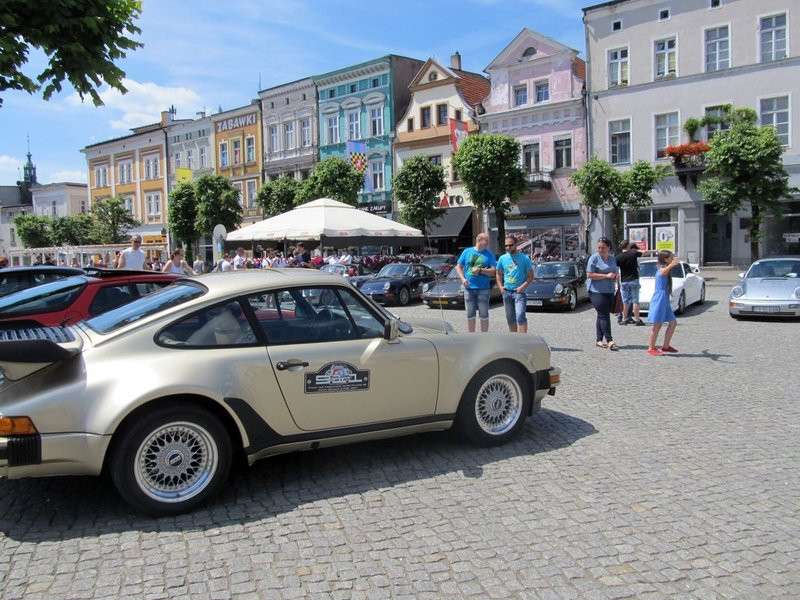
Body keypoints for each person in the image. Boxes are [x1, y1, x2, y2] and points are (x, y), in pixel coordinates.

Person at [455, 233, 497, 333]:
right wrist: (463, 279)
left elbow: (493, 271)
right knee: (470, 315)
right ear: (480, 240)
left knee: (484, 314)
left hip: (483, 289)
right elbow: (458, 267)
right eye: (487, 240)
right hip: (469, 288)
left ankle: (484, 337)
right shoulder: (467, 251)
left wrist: (480, 270)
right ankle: (471, 336)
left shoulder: (489, 254)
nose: (488, 243)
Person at [496, 236, 534, 333]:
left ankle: (522, 340)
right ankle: (514, 340)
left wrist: (522, 287)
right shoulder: (502, 258)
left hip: (519, 292)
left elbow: (531, 276)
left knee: (520, 315)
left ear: (516, 245)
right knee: (510, 318)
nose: (508, 248)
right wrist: (500, 287)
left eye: (510, 245)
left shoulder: (524, 258)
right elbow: (498, 273)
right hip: (507, 292)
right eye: (506, 246)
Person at [586, 237, 619, 350]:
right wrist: (605, 276)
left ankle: (599, 340)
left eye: (603, 247)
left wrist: (615, 276)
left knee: (601, 315)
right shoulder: (594, 258)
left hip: (609, 290)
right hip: (596, 291)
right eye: (599, 247)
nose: (600, 250)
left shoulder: (612, 258)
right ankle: (610, 340)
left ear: (608, 247)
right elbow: (589, 275)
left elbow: (615, 270)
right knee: (604, 315)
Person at [647, 250, 680, 355]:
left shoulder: (664, 268)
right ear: (665, 259)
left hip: (664, 298)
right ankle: (651, 348)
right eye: (670, 257)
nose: (672, 259)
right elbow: (662, 272)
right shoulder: (662, 269)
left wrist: (672, 263)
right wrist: (673, 264)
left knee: (673, 323)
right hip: (660, 299)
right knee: (657, 325)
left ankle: (666, 346)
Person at [615, 240, 651, 326]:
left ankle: (624, 319)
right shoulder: (633, 253)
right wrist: (654, 251)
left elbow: (616, 271)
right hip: (633, 279)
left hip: (623, 281)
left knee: (625, 301)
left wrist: (617, 281)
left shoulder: (618, 257)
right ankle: (637, 320)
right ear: (628, 246)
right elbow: (645, 252)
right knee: (635, 300)